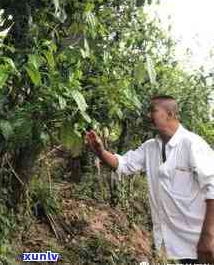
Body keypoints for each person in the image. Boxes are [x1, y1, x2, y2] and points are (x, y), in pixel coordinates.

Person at [85, 95, 214, 264]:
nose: (148, 115)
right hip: (182, 244)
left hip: (204, 241)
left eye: (153, 110)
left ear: (170, 114)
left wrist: (208, 235)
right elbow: (124, 164)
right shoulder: (150, 147)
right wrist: (101, 152)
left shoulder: (192, 145)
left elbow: (212, 186)